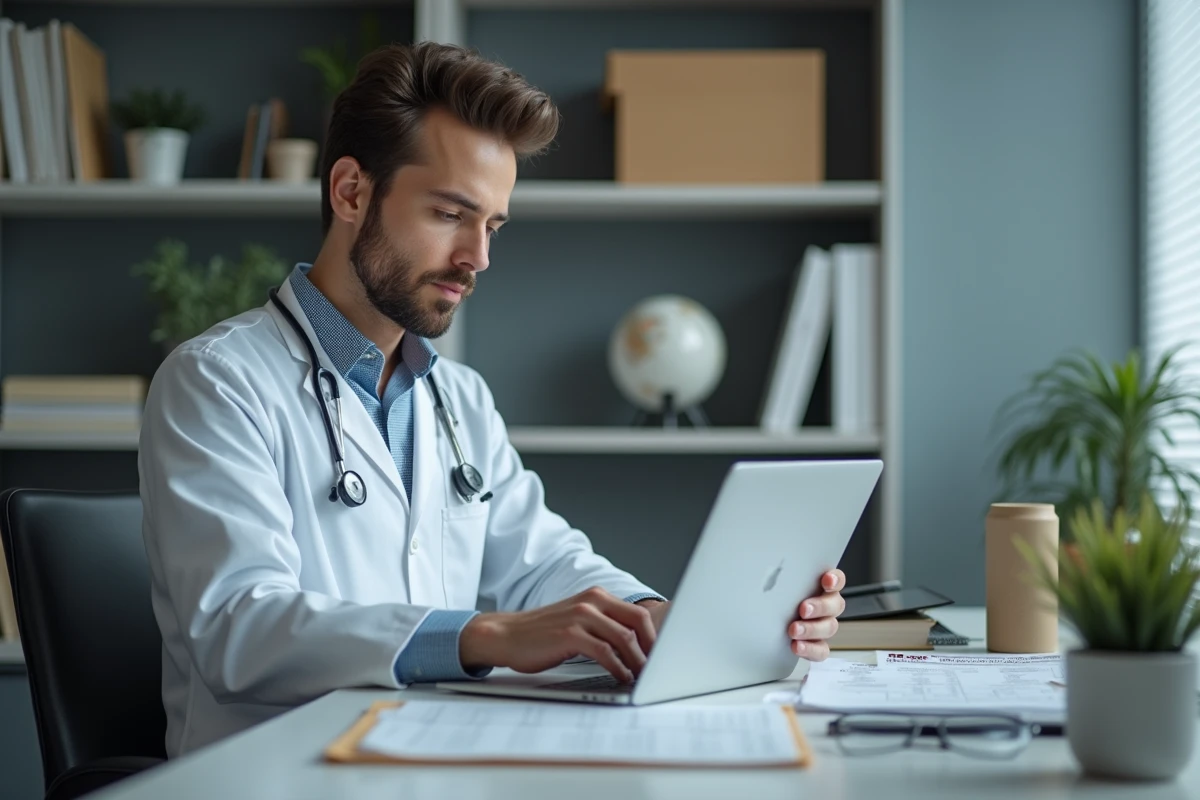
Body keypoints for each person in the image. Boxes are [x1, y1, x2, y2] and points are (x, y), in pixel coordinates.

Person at [139, 41, 848, 758]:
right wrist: (486, 635)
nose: (478, 257)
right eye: (451, 214)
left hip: (423, 761)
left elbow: (542, 563)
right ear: (351, 191)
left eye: (493, 225)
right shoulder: (216, 382)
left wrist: (659, 617)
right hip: (275, 774)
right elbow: (238, 628)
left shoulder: (457, 398)